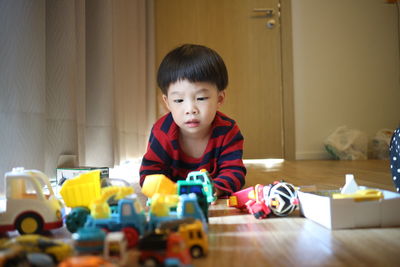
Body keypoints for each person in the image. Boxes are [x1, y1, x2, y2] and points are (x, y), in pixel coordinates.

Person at [139, 44, 246, 197]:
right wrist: (166, 192)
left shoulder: (227, 130)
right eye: (178, 100)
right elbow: (149, 174)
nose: (190, 109)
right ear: (167, 102)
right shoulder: (162, 131)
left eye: (201, 98)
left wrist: (215, 189)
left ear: (220, 98)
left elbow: (234, 172)